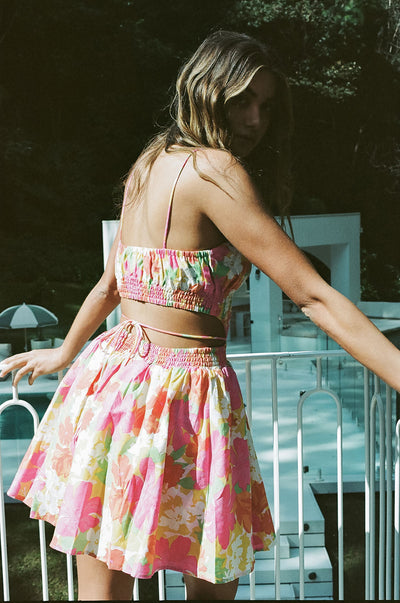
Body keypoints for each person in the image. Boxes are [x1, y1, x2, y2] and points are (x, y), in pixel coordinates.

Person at [1, 29, 400, 601]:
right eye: (243, 101)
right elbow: (313, 297)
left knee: (102, 584)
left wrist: (67, 351)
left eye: (267, 106)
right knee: (209, 580)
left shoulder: (151, 161)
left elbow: (113, 282)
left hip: (111, 382)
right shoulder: (216, 172)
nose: (256, 120)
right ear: (206, 90)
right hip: (182, 396)